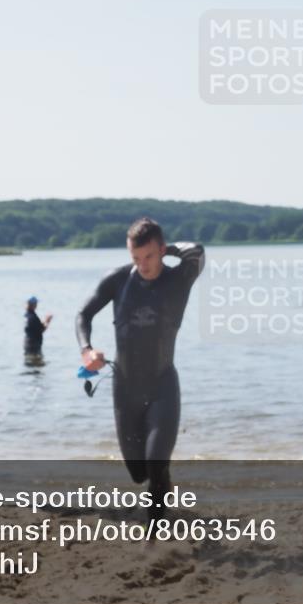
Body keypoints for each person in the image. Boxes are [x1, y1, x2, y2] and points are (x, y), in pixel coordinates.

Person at [75, 218, 205, 522]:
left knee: (156, 461)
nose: (143, 265)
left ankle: (154, 538)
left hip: (162, 384)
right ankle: (161, 482)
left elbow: (197, 251)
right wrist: (87, 350)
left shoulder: (179, 279)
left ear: (161, 250)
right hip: (124, 387)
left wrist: (165, 248)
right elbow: (83, 313)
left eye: (149, 256)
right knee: (138, 473)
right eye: (135, 257)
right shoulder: (118, 281)